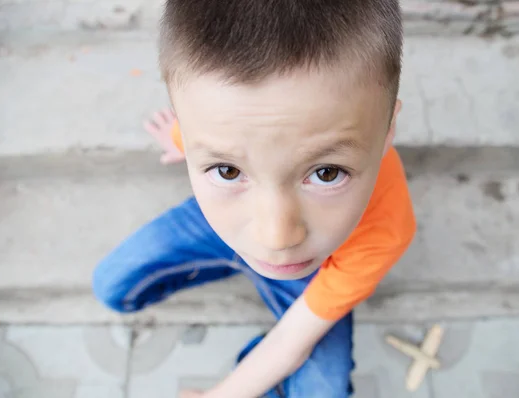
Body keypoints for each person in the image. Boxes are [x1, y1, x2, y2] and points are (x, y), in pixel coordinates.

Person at [92, 0, 415, 396]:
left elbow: (291, 343)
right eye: (227, 170)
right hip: (222, 230)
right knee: (112, 286)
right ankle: (238, 260)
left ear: (388, 131)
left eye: (326, 173)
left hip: (322, 270)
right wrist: (181, 144)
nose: (276, 237)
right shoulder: (212, 128)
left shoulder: (384, 229)